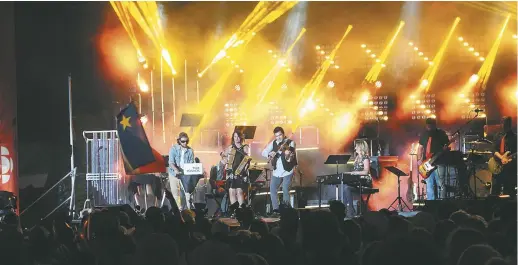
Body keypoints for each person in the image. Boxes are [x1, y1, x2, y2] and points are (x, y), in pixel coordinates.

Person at [261, 126, 297, 215]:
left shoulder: (290, 142)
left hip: (288, 171)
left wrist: (288, 153)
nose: (278, 137)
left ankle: (287, 210)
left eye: (280, 135)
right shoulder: (273, 143)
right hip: (277, 171)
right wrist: (270, 154)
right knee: (272, 189)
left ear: (283, 134)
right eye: (276, 136)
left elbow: (291, 154)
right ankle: (276, 210)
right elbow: (264, 152)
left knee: (285, 189)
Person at [417, 118, 450, 200]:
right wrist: (419, 159)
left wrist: (446, 149)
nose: (429, 127)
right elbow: (420, 147)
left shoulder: (441, 133)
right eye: (428, 125)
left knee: (441, 184)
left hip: (439, 162)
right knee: (429, 185)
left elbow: (447, 145)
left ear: (435, 125)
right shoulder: (424, 134)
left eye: (431, 125)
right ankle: (431, 204)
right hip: (427, 163)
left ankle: (442, 203)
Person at [343, 140, 372, 217]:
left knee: (347, 188)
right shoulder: (357, 158)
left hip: (365, 181)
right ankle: (345, 209)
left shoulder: (365, 158)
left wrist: (354, 173)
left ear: (360, 147)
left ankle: (350, 210)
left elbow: (366, 171)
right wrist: (349, 173)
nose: (355, 148)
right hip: (357, 181)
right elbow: (355, 171)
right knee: (345, 186)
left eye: (356, 146)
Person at [222, 131, 251, 208]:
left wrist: (246, 166)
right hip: (231, 172)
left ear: (241, 137)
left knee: (239, 192)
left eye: (238, 136)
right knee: (231, 191)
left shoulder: (245, 147)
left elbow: (248, 159)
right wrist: (225, 160)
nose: (236, 138)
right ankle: (235, 211)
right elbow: (223, 155)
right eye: (235, 136)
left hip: (240, 172)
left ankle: (241, 210)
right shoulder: (230, 147)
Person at [168, 132, 195, 210]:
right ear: (179, 141)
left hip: (185, 174)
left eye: (186, 141)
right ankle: (177, 210)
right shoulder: (173, 149)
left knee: (185, 194)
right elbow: (171, 162)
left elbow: (191, 163)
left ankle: (184, 210)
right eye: (183, 141)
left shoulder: (190, 151)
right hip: (174, 173)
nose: (185, 143)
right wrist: (176, 169)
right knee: (175, 193)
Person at [491, 116, 517, 197]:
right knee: (495, 190)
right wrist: (501, 157)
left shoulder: (515, 137)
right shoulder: (497, 136)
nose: (503, 125)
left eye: (506, 124)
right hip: (497, 167)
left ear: (510, 124)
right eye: (502, 123)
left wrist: (510, 158)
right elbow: (494, 149)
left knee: (509, 191)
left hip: (509, 169)